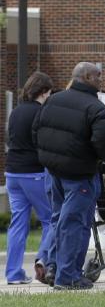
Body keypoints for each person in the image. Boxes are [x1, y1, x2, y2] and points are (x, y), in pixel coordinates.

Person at [33, 62, 105, 290]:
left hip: (54, 173)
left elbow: (36, 131)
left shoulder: (53, 100)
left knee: (59, 220)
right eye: (98, 76)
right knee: (75, 224)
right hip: (80, 177)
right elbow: (104, 144)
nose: (101, 81)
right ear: (86, 77)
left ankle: (55, 268)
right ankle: (68, 277)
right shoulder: (95, 108)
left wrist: (48, 157)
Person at [4, 72, 55, 285]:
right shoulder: (41, 112)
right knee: (51, 219)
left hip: (12, 174)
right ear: (44, 92)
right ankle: (43, 260)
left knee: (18, 224)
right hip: (33, 173)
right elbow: (44, 143)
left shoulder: (16, 112)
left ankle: (14, 273)